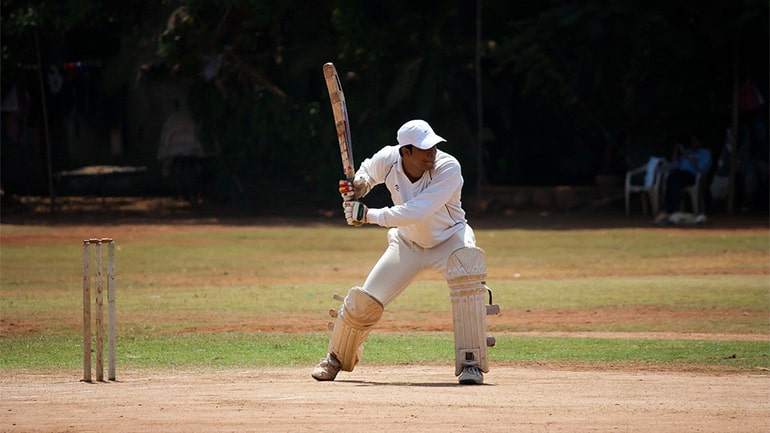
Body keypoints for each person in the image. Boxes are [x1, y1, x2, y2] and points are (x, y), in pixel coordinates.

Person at [311, 119, 497, 385]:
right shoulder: (388, 158)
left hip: (450, 239)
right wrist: (360, 184)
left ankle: (472, 363)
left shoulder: (448, 167)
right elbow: (367, 170)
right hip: (408, 244)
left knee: (467, 272)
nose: (432, 152)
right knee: (364, 300)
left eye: (433, 146)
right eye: (424, 148)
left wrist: (366, 215)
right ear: (405, 151)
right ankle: (335, 359)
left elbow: (416, 211)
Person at [655, 134, 712, 224]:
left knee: (675, 178)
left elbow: (701, 168)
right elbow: (674, 166)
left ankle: (672, 208)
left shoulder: (705, 153)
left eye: (695, 141)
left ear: (700, 142)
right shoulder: (686, 152)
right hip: (679, 175)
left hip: (692, 176)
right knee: (672, 177)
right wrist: (676, 152)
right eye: (692, 142)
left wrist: (688, 156)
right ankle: (671, 208)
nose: (693, 144)